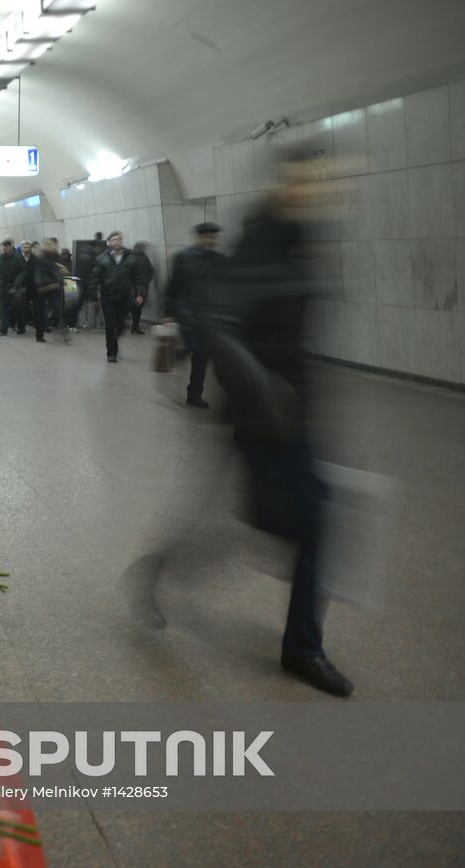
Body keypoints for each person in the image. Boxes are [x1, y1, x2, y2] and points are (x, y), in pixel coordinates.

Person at [197, 148, 350, 696]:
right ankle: (302, 648)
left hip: (291, 411)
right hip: (264, 415)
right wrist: (265, 389)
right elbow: (219, 328)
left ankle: (302, 644)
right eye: (311, 179)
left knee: (308, 520)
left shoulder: (300, 243)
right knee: (302, 523)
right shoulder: (260, 244)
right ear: (286, 184)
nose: (322, 189)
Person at [164, 222, 224, 408]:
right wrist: (169, 311)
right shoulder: (183, 257)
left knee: (202, 357)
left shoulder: (219, 260)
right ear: (198, 237)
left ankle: (194, 394)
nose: (210, 240)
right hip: (186, 313)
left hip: (208, 316)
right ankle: (174, 357)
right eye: (207, 236)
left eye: (213, 237)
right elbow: (173, 285)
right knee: (192, 346)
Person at [86, 230, 148, 363]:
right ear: (109, 242)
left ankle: (115, 339)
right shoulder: (102, 258)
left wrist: (140, 293)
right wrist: (93, 296)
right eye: (114, 239)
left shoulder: (131, 257)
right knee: (110, 324)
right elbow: (94, 278)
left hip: (124, 296)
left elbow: (138, 278)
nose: (117, 241)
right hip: (108, 297)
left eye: (119, 239)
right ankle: (111, 352)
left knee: (121, 324)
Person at [24, 242, 61, 342]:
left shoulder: (50, 257)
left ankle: (48, 327)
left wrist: (58, 281)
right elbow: (33, 274)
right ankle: (39, 334)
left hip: (50, 287)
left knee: (55, 309)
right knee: (40, 312)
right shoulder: (35, 260)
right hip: (39, 289)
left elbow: (55, 270)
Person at [0, 239, 26, 335]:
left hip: (15, 287)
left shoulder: (18, 257)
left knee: (18, 308)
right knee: (4, 307)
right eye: (4, 246)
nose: (4, 248)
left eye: (7, 246)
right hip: (5, 286)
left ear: (11, 246)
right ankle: (3, 329)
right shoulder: (2, 257)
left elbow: (23, 271)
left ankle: (21, 326)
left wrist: (17, 283)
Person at [131, 241, 156, 334]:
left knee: (132, 308)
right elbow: (152, 271)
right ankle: (135, 327)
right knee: (138, 308)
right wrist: (146, 281)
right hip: (143, 287)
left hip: (131, 288)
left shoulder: (130, 258)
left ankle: (134, 326)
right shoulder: (145, 259)